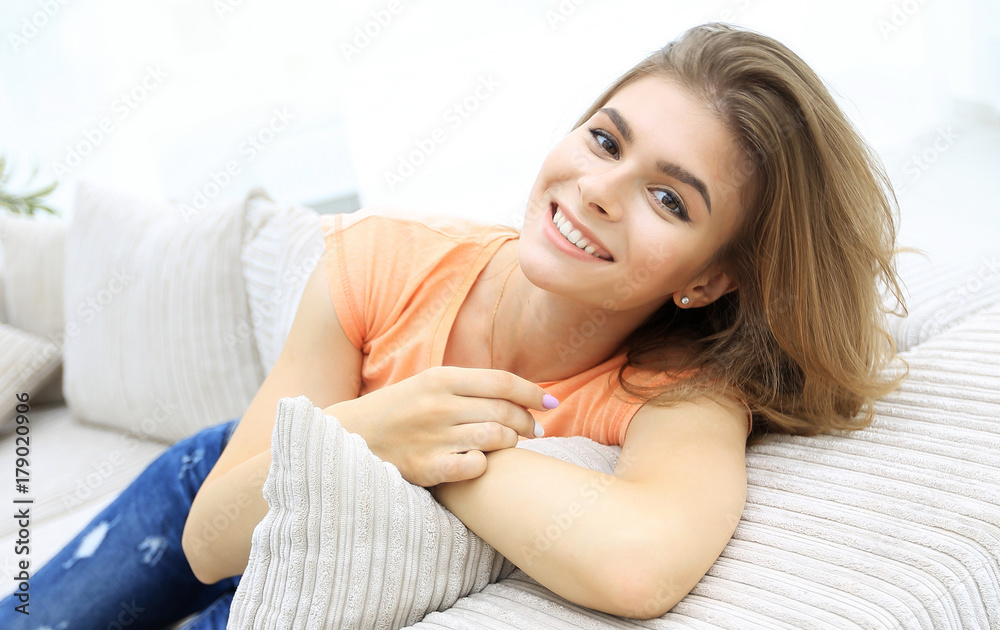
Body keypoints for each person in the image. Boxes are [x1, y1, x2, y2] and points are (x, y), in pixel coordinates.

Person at [1, 22, 904, 628]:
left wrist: (423, 451)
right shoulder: (377, 258)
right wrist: (373, 429)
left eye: (667, 198)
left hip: (306, 566)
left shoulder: (678, 395)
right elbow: (209, 539)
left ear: (707, 280)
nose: (598, 190)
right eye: (605, 140)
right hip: (218, 478)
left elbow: (641, 564)